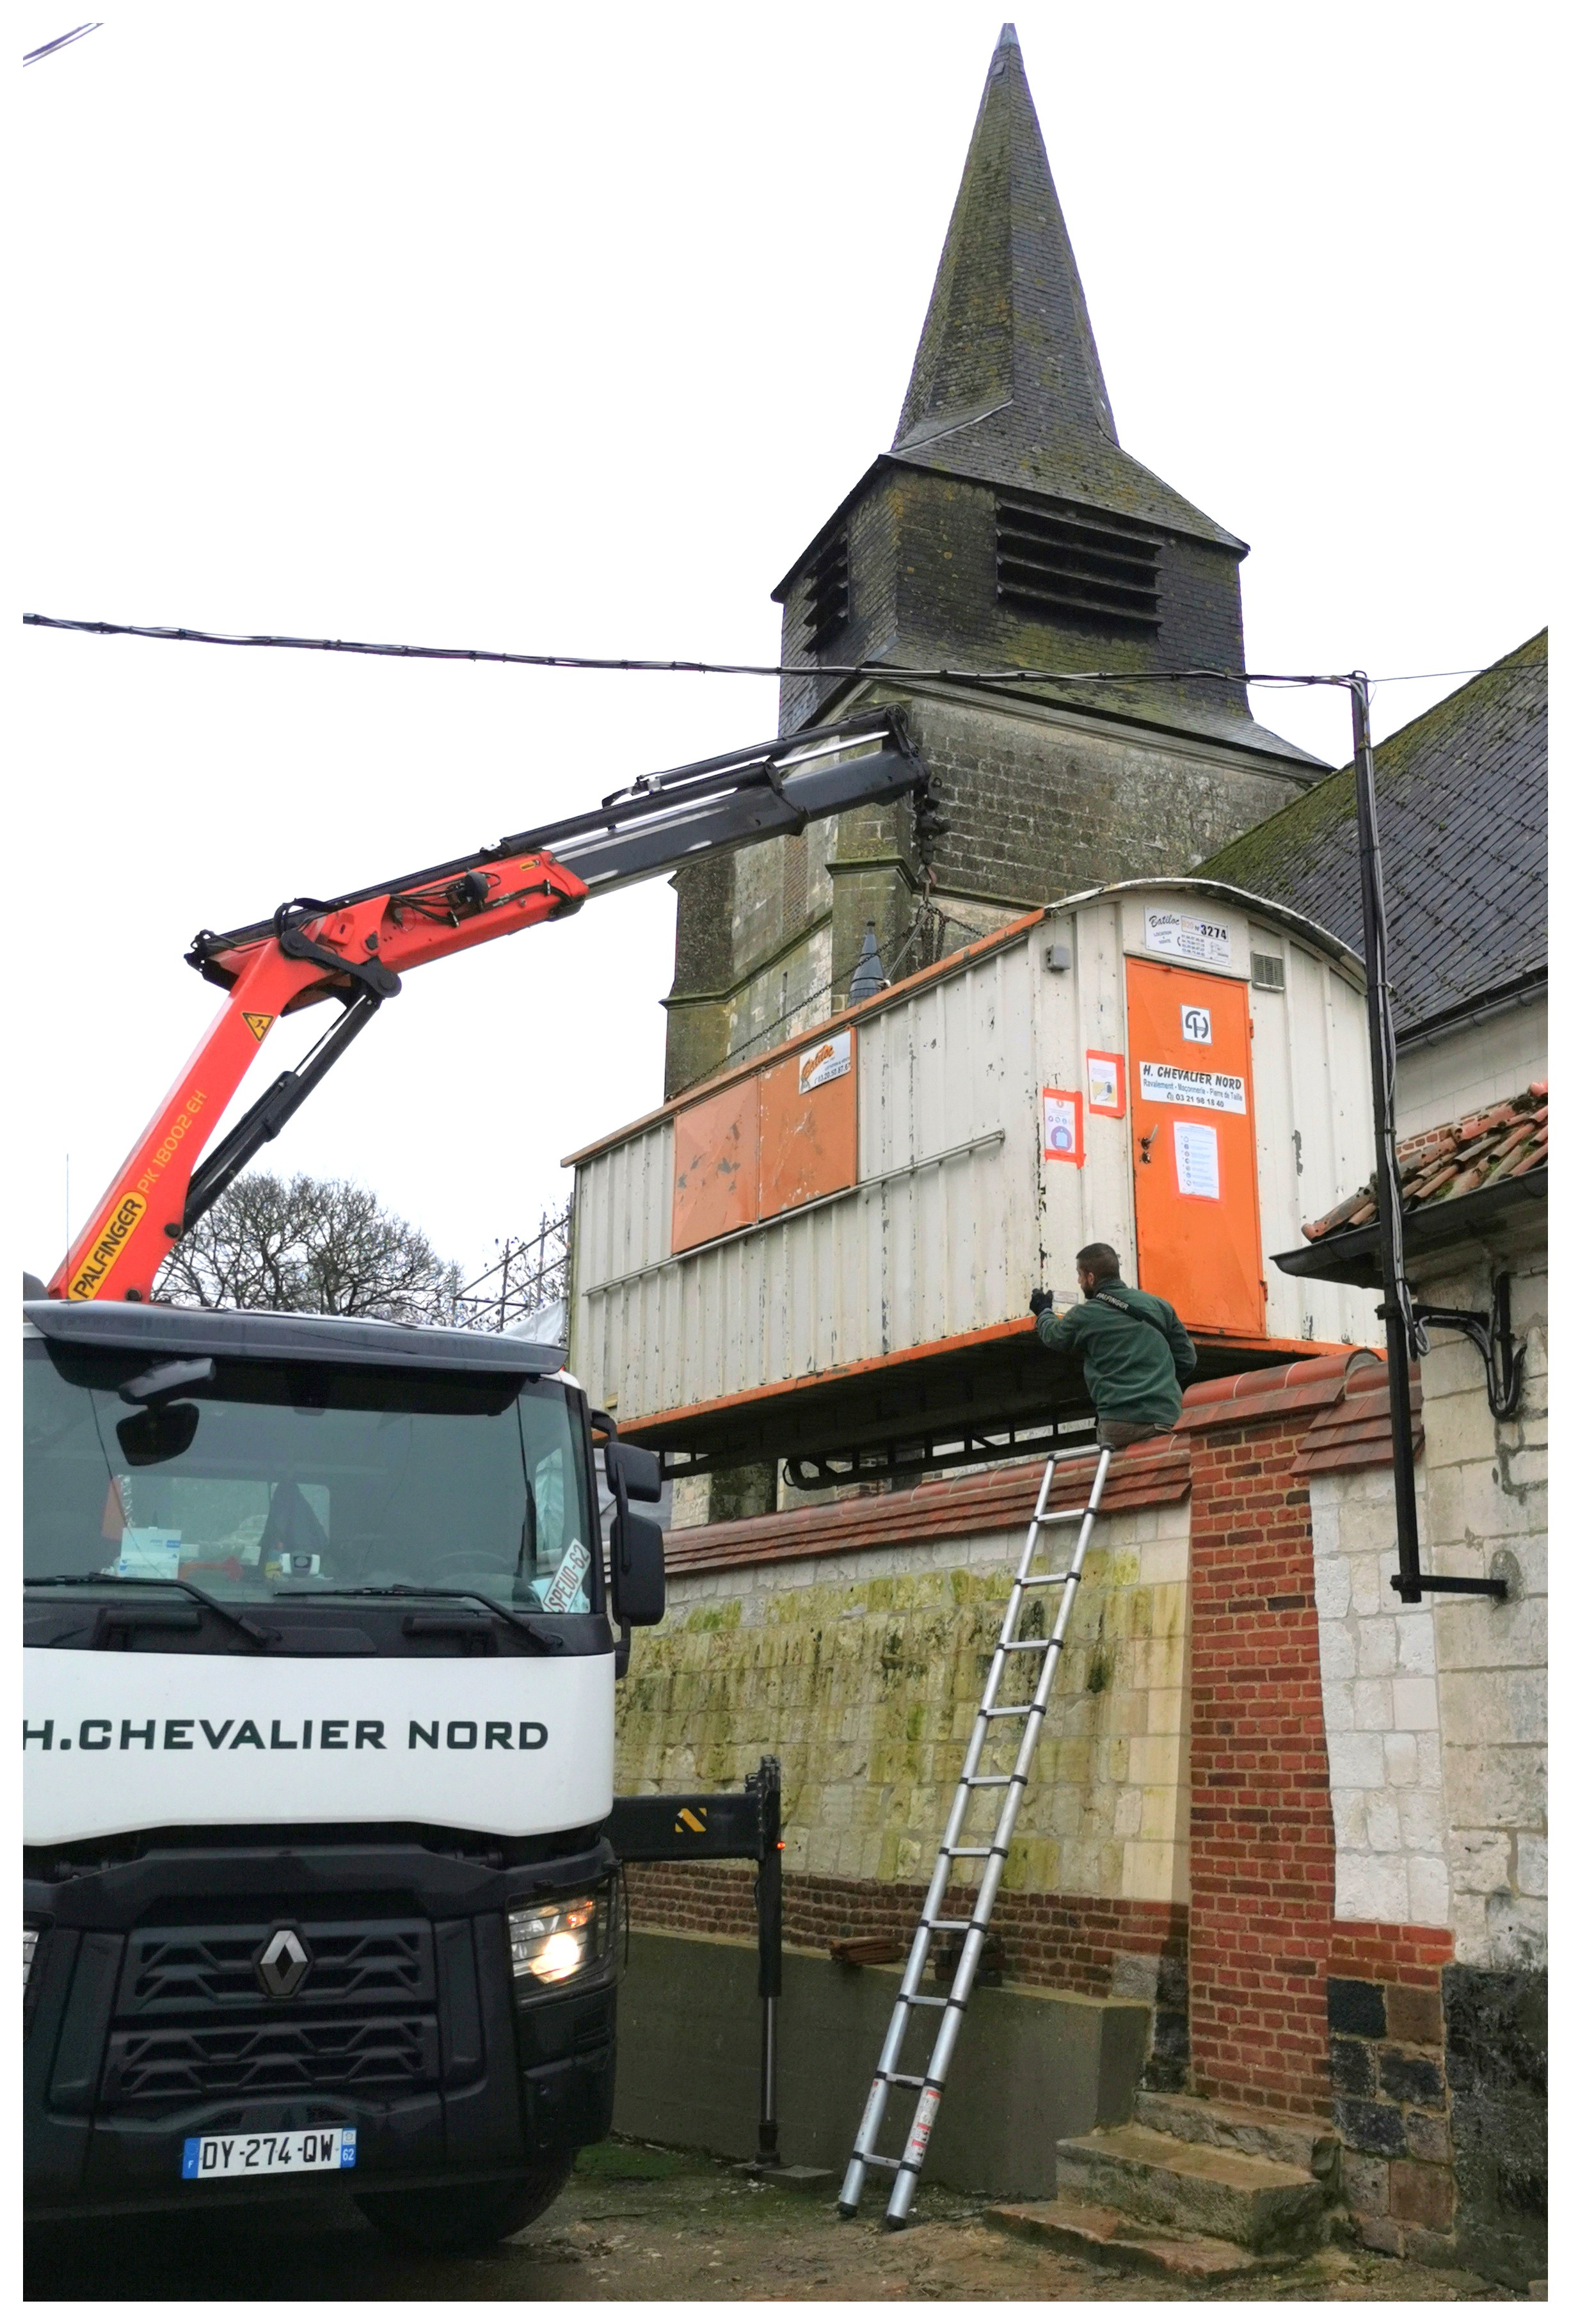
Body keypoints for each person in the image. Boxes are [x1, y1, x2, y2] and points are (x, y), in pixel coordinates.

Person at [1030, 1242, 1197, 1450]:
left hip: (1120, 1424)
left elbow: (1054, 1335)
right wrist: (1157, 1380)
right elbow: (1187, 1359)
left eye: (1080, 1275)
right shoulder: (1160, 1306)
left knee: (1119, 1479)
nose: (1079, 1281)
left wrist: (1044, 1311)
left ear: (1091, 1278)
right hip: (1167, 1418)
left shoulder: (1086, 1314)